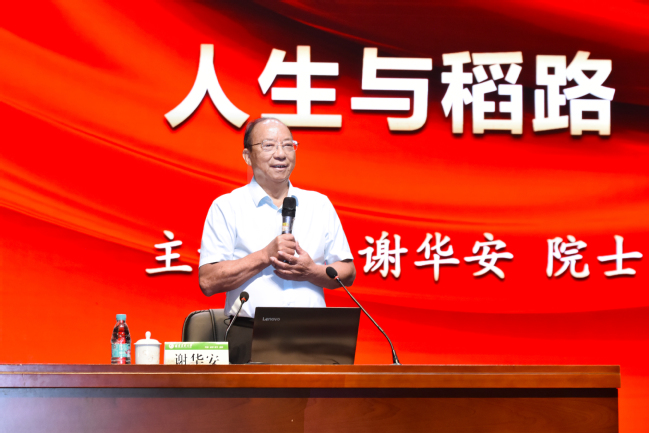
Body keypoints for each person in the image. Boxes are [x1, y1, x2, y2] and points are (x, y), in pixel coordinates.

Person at [198, 118, 356, 362]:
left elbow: (348, 272)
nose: (281, 154)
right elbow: (208, 281)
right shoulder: (227, 207)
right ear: (247, 156)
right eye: (269, 145)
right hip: (249, 334)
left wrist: (311, 271)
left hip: (315, 334)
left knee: (327, 391)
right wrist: (264, 256)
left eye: (288, 145)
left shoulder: (319, 205)